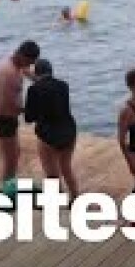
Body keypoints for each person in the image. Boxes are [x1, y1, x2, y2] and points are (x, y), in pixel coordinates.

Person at [0, 41, 41, 193]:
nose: (30, 66)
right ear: (22, 56)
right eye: (30, 62)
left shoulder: (11, 62)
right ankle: (6, 191)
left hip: (0, 117)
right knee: (10, 159)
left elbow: (25, 70)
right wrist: (31, 111)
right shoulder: (10, 75)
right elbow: (9, 103)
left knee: (15, 154)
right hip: (3, 119)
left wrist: (41, 81)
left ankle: (9, 185)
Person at [24, 59, 80, 200]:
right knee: (66, 168)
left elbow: (29, 118)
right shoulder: (63, 86)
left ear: (36, 73)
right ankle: (75, 197)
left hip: (49, 135)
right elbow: (49, 92)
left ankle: (56, 198)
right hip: (68, 132)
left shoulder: (34, 90)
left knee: (51, 172)